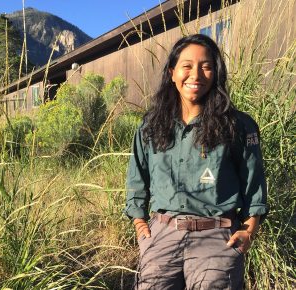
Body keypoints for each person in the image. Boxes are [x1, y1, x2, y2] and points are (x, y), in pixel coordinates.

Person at [124, 34, 268, 290]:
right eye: (187, 66)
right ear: (172, 72)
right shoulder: (151, 125)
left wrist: (248, 230)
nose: (196, 75)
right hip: (162, 233)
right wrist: (139, 222)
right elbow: (138, 176)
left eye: (206, 66)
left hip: (218, 236)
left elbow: (253, 183)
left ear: (216, 73)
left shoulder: (239, 126)